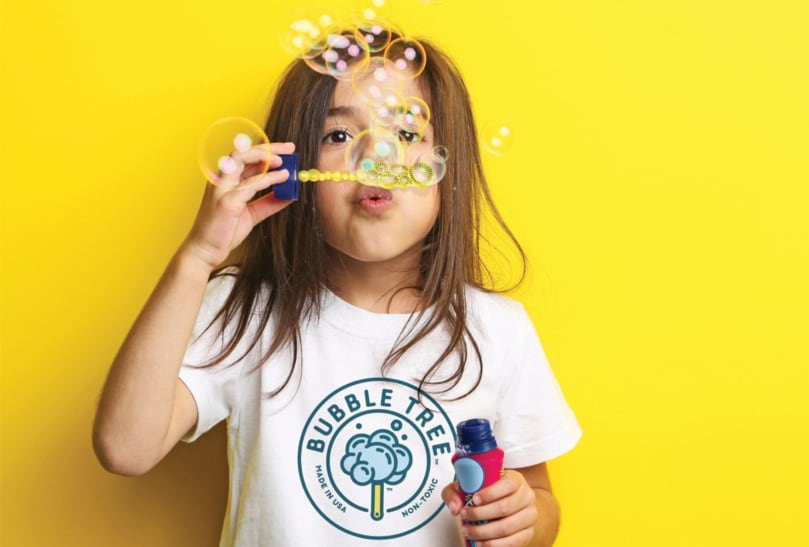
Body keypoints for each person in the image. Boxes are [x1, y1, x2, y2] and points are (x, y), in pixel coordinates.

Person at [93, 26, 580, 547]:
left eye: (408, 134)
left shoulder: (496, 330)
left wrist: (525, 520)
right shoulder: (248, 308)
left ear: (445, 171)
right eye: (339, 137)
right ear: (293, 171)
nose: (376, 157)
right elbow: (125, 448)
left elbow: (537, 496)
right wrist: (197, 257)